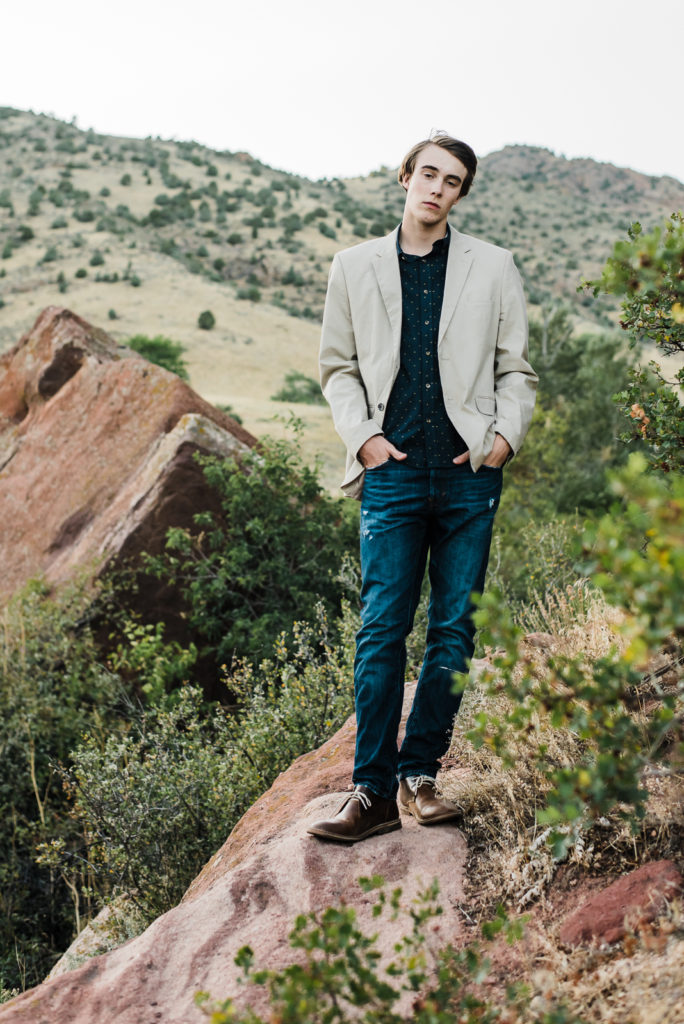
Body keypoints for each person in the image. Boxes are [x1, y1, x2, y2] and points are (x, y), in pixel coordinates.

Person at [307, 133, 537, 843]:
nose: (438, 188)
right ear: (405, 177)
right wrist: (363, 439)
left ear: (462, 193)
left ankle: (421, 776)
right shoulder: (353, 266)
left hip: (470, 474)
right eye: (429, 173)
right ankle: (371, 793)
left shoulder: (493, 266)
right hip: (393, 472)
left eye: (453, 180)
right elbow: (338, 368)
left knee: (454, 628)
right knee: (382, 629)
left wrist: (502, 440)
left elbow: (516, 370)